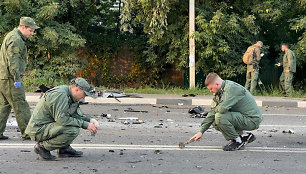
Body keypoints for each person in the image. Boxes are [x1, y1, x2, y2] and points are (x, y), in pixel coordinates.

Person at [25, 78, 99, 160]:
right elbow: (62, 120)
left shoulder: (71, 96)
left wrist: (90, 121)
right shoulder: (60, 95)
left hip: (48, 126)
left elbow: (75, 115)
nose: (84, 97)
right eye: (84, 94)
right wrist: (85, 125)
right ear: (77, 90)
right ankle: (42, 147)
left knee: (72, 124)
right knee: (72, 130)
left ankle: (64, 149)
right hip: (38, 130)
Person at [189, 73, 263, 151]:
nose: (211, 91)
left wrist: (214, 111)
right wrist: (201, 132)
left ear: (217, 84)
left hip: (252, 120)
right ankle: (244, 135)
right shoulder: (221, 91)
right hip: (242, 117)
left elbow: (221, 109)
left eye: (211, 89)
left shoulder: (231, 89)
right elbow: (213, 111)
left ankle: (238, 142)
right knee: (214, 120)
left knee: (219, 117)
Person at [0, 17, 39, 140]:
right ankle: (28, 133)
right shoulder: (16, 39)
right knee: (20, 104)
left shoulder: (11, 36)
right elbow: (13, 61)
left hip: (4, 77)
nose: (32, 33)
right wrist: (17, 78)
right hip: (11, 78)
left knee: (4, 105)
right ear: (23, 27)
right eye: (31, 30)